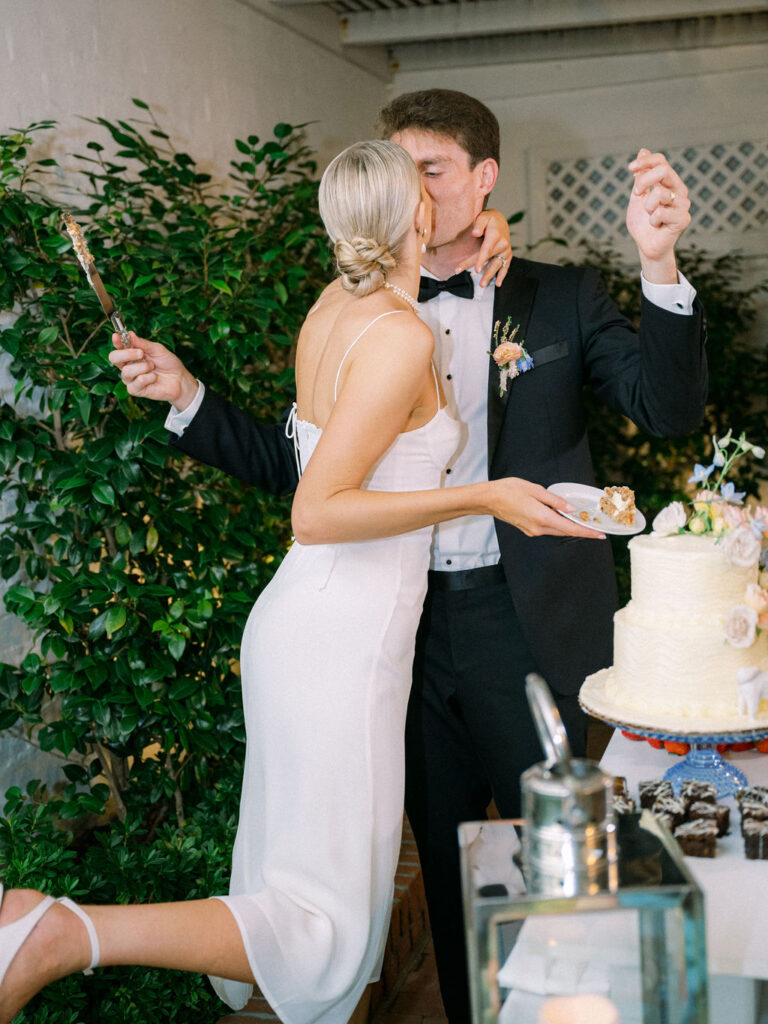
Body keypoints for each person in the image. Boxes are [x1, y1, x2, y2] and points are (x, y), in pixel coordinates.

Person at [109, 91, 708, 1022]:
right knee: (448, 855)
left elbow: (668, 415)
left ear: (480, 182)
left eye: (426, 171)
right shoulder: (355, 313)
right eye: (393, 171)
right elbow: (302, 470)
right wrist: (188, 397)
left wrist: (658, 262)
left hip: (526, 621)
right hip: (399, 633)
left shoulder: (561, 297)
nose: (406, 191)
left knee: (575, 857)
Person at [0, 140, 602, 1024]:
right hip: (341, 640)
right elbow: (316, 509)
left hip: (313, 623)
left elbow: (309, 457)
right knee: (321, 926)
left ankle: (59, 930)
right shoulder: (397, 334)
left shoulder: (336, 307)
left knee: (318, 907)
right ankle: (61, 933)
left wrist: (187, 391)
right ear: (418, 217)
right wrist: (485, 495)